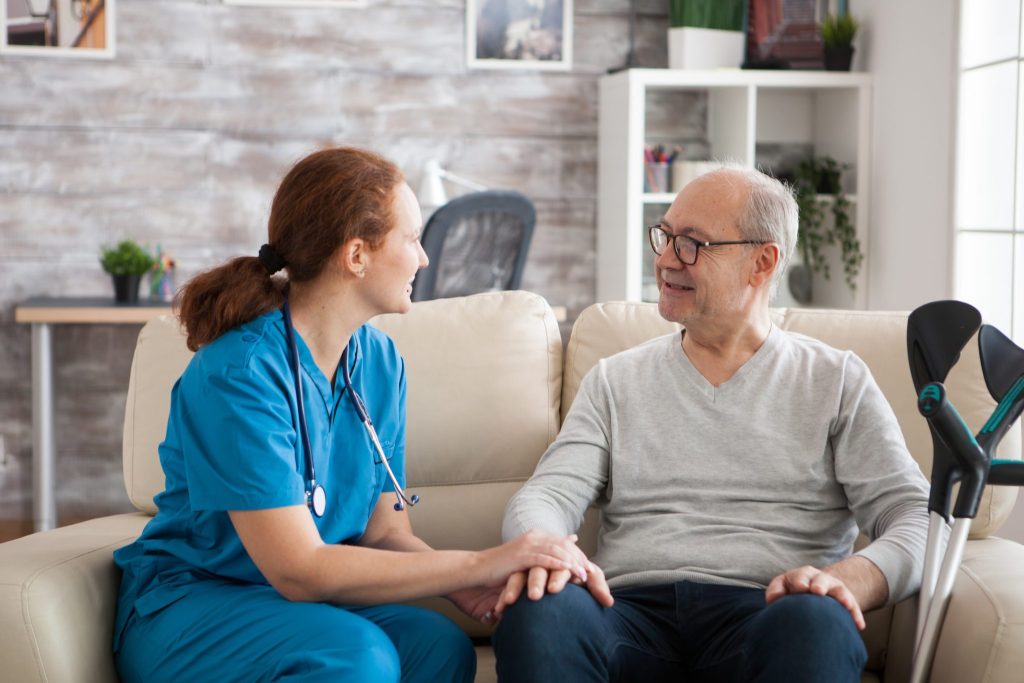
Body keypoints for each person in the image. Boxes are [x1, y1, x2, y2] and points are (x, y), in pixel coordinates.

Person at [112, 146, 589, 683]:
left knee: (437, 647)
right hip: (193, 604)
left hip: (292, 609)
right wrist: (481, 562)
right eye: (412, 239)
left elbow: (385, 533)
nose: (424, 259)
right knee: (356, 656)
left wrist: (461, 585)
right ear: (356, 255)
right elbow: (299, 569)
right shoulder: (239, 373)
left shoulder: (380, 364)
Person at [492, 165, 930, 682]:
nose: (665, 260)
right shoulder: (617, 379)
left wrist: (854, 577)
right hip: (629, 613)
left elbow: (918, 516)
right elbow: (547, 494)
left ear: (761, 262)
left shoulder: (835, 380)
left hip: (770, 614)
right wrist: (542, 543)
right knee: (540, 611)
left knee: (818, 624)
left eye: (692, 244)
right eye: (666, 237)